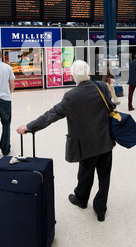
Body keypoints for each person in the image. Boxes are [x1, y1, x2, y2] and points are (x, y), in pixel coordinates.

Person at [16, 60, 115, 222]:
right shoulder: (102, 87)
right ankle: (101, 208)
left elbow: (51, 115)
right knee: (105, 176)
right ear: (89, 73)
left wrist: (29, 126)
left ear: (72, 76)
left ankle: (81, 199)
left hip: (86, 144)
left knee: (85, 173)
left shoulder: (71, 96)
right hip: (105, 141)